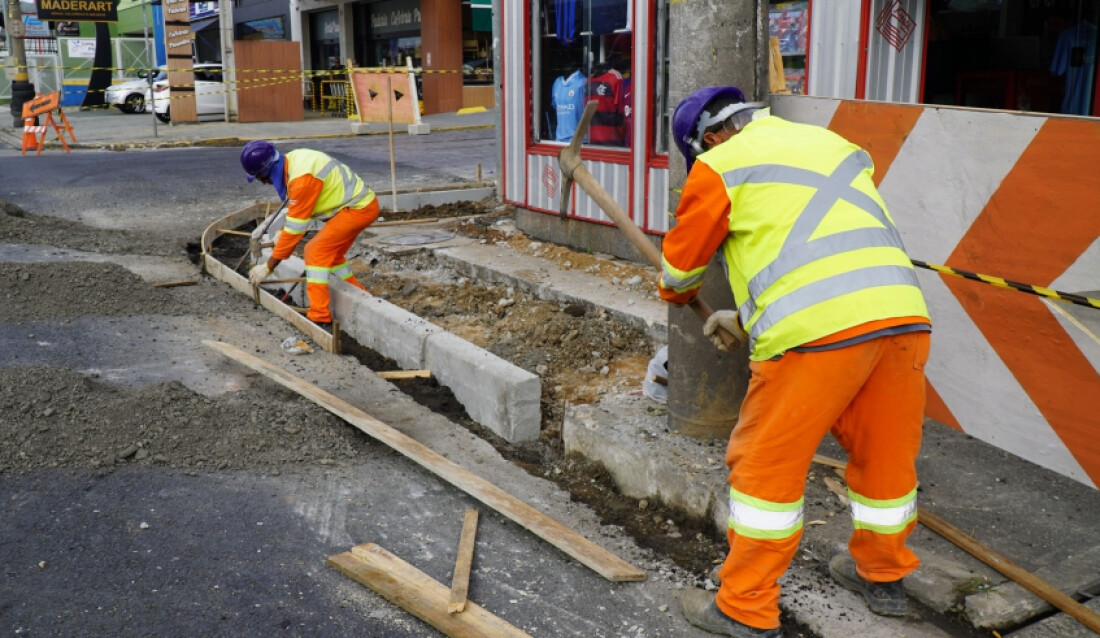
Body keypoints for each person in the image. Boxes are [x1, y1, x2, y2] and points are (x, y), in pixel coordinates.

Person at [659, 86, 931, 637]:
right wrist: (748, 316)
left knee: (765, 470)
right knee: (885, 458)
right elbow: (813, 243)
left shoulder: (721, 165)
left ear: (710, 138)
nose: (701, 163)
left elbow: (678, 273)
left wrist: (681, 291)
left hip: (815, 338)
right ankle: (883, 578)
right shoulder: (827, 142)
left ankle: (745, 608)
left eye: (699, 153)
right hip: (902, 319)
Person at [242, 140, 379, 329]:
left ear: (267, 170)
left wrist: (269, 266)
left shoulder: (301, 179)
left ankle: (320, 317)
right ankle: (358, 294)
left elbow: (297, 228)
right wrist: (283, 234)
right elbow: (297, 213)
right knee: (332, 255)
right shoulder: (293, 162)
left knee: (315, 251)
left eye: (260, 178)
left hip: (357, 209)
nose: (264, 183)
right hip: (355, 207)